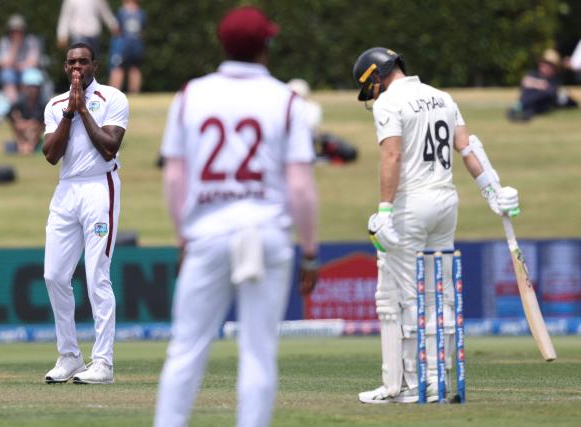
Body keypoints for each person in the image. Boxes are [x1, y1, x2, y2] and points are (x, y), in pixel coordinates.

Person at [154, 6, 319, 426]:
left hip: (207, 230)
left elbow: (174, 177)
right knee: (258, 353)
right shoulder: (286, 100)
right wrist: (312, 251)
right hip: (265, 231)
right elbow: (300, 185)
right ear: (266, 46)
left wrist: (181, 236)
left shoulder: (191, 94)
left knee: (186, 349)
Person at [352, 47, 520, 403]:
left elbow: (392, 154)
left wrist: (384, 210)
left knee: (413, 295)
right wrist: (492, 189)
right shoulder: (441, 96)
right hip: (446, 201)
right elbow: (467, 148)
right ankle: (416, 379)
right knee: (433, 292)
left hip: (411, 203)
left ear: (377, 76)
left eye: (372, 88)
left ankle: (422, 384)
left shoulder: (389, 103)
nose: (374, 96)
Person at [42, 42, 129, 385]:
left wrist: (84, 110)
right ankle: (70, 356)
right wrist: (69, 112)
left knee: (97, 276)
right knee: (54, 275)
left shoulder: (113, 98)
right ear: (65, 67)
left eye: (84, 61)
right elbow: (50, 155)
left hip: (99, 186)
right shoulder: (54, 105)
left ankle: (103, 363)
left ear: (95, 64)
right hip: (66, 189)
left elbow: (109, 147)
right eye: (72, 62)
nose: (78, 67)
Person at [507, 48, 577, 122]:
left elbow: (551, 92)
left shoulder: (554, 80)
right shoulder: (534, 74)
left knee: (543, 94)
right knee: (529, 92)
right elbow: (525, 82)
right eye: (544, 63)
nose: (544, 66)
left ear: (554, 68)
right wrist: (540, 84)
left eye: (548, 65)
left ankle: (522, 109)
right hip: (528, 101)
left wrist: (535, 84)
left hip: (541, 105)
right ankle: (522, 108)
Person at [0, 14, 41, 103]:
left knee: (30, 76)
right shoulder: (4, 42)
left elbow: (34, 62)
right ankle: (14, 104)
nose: (16, 33)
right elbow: (3, 64)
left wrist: (19, 66)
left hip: (26, 70)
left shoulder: (31, 41)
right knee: (6, 75)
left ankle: (26, 104)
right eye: (14, 31)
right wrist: (15, 46)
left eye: (19, 30)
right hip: (11, 71)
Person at [6, 68, 46, 155]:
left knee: (33, 128)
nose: (32, 90)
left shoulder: (43, 104)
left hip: (36, 132)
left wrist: (25, 124)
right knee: (17, 125)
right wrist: (19, 122)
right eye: (29, 87)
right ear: (24, 87)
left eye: (35, 87)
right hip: (20, 132)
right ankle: (21, 145)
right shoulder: (18, 103)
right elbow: (10, 117)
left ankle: (30, 146)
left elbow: (39, 123)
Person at [109, 0, 146, 94]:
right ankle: (135, 94)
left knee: (117, 69)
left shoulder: (121, 12)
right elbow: (142, 31)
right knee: (135, 69)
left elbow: (116, 29)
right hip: (137, 45)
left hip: (122, 46)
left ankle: (113, 94)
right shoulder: (141, 13)